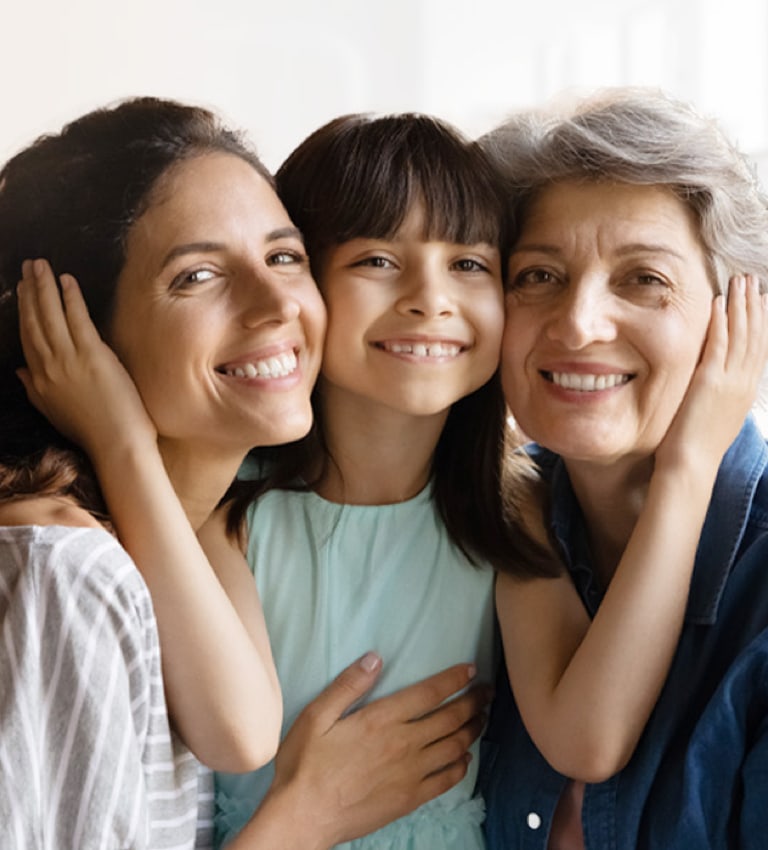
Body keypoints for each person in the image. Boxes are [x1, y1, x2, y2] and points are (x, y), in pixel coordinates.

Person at [18, 105, 767, 850]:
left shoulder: (505, 505)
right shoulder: (235, 505)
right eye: (377, 260)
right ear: (310, 281)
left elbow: (587, 741)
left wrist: (689, 463)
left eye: (470, 264)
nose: (431, 299)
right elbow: (238, 735)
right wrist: (121, 442)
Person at [0, 96, 327, 848]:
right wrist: (306, 820)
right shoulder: (63, 569)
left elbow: (242, 734)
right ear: (74, 332)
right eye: (198, 276)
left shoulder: (208, 534)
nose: (276, 303)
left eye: (285, 257)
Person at [477, 87, 768, 849]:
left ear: (741, 316)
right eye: (538, 274)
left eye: (644, 279)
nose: (578, 322)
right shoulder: (483, 523)